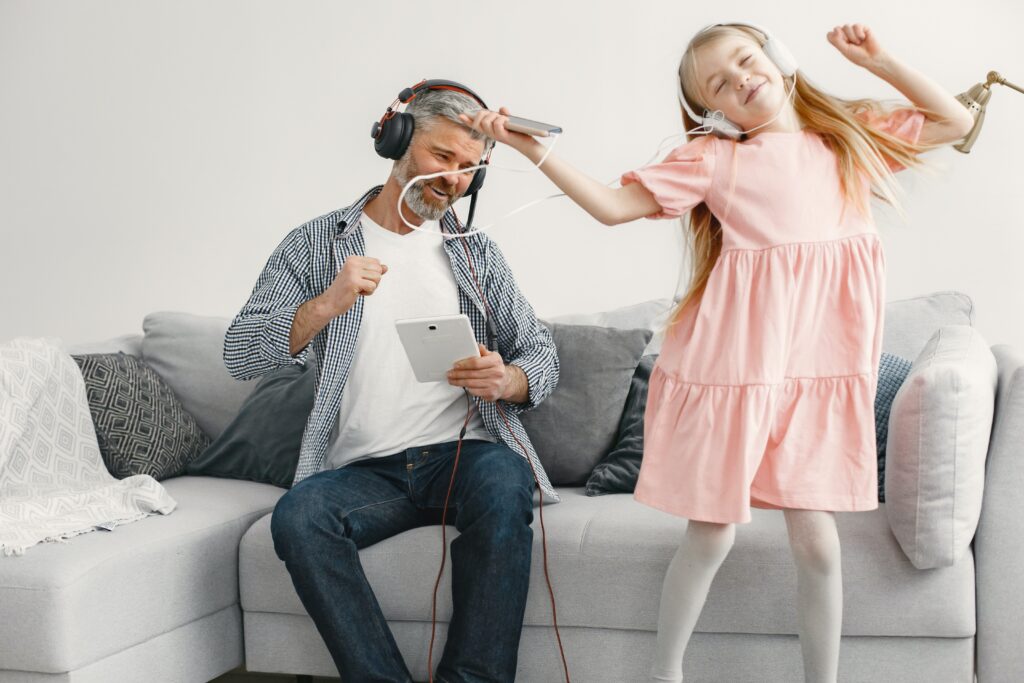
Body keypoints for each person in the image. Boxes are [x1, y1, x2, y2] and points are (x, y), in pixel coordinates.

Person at [461, 22, 974, 683]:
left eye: (745, 61)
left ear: (778, 59)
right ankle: (665, 671)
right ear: (712, 110)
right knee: (713, 532)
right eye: (719, 84)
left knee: (819, 542)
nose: (740, 80)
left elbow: (954, 121)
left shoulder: (846, 138)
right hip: (740, 368)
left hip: (817, 376)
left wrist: (879, 61)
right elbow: (615, 207)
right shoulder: (714, 160)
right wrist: (535, 152)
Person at [224, 81, 560, 683]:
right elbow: (240, 354)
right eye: (442, 157)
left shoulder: (475, 253)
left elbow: (539, 351)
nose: (454, 178)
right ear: (398, 140)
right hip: (362, 471)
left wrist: (508, 379)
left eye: (469, 168)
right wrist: (326, 303)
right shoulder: (316, 245)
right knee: (299, 517)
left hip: (462, 457)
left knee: (505, 481)